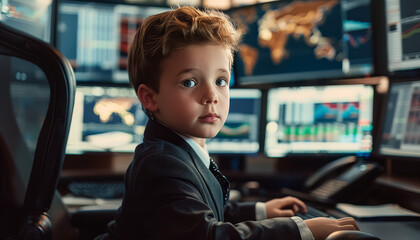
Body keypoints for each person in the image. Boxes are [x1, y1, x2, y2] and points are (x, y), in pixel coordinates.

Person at [113, 6, 359, 240]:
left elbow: (202, 212)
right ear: (150, 97)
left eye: (221, 81)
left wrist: (260, 211)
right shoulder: (162, 165)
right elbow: (208, 235)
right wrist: (299, 231)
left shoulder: (179, 151)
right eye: (189, 82)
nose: (211, 96)